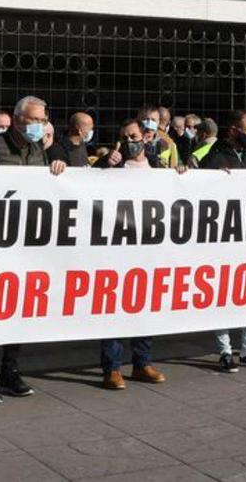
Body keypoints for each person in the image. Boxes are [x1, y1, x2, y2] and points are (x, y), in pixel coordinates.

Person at [0, 95, 66, 403]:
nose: (38, 126)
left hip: (25, 242)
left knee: (18, 309)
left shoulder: (37, 150)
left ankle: (11, 371)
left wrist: (57, 168)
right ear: (18, 119)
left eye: (42, 120)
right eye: (33, 120)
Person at [93, 118, 171, 389]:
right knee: (113, 308)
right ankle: (112, 368)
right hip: (117, 250)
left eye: (134, 135)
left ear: (146, 137)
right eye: (125, 137)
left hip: (148, 249)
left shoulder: (159, 169)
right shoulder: (112, 168)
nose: (130, 141)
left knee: (144, 306)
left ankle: (142, 362)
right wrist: (104, 166)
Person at [202, 110, 246, 372]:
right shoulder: (214, 157)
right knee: (222, 293)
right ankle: (224, 350)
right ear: (233, 130)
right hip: (224, 237)